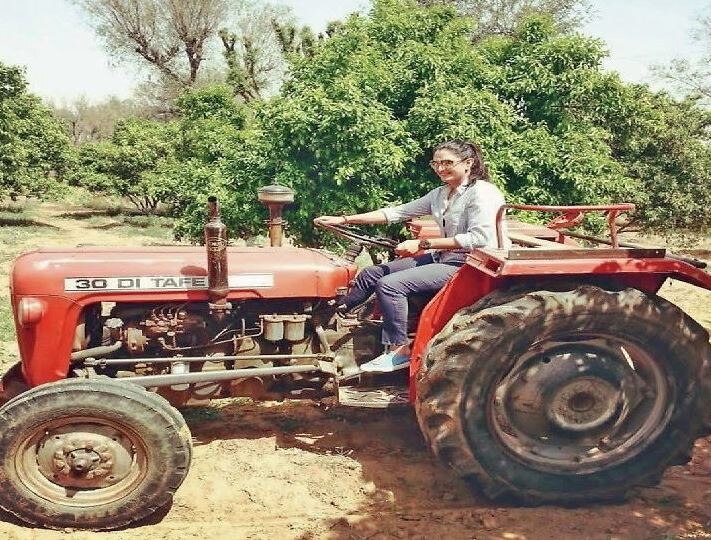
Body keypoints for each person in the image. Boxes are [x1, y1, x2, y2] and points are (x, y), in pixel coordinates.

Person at [314, 139, 509, 373]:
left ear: (468, 163)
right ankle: (329, 318)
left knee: (390, 285)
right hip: (444, 256)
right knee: (371, 273)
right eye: (436, 163)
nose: (440, 168)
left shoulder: (482, 193)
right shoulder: (441, 194)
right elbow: (397, 212)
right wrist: (344, 219)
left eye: (447, 163)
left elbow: (479, 239)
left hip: (471, 262)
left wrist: (422, 243)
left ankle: (400, 350)